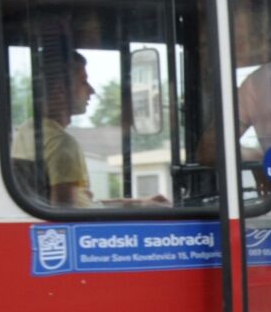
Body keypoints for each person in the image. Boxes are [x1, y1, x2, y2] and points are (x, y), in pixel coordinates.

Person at [12, 50, 168, 209]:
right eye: (83, 82)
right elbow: (67, 213)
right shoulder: (61, 144)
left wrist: (139, 203)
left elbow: (84, 203)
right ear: (60, 91)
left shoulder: (26, 131)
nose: (92, 91)